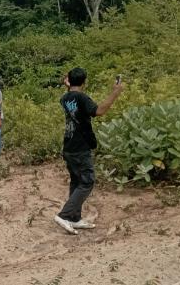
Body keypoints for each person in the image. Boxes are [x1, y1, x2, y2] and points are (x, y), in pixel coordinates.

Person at [54, 68, 123, 235]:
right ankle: (64, 215)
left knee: (76, 182)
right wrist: (115, 92)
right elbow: (99, 111)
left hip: (69, 145)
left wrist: (68, 85)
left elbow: (73, 102)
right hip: (80, 146)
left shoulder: (65, 98)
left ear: (68, 81)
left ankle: (74, 218)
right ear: (85, 82)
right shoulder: (82, 97)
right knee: (87, 182)